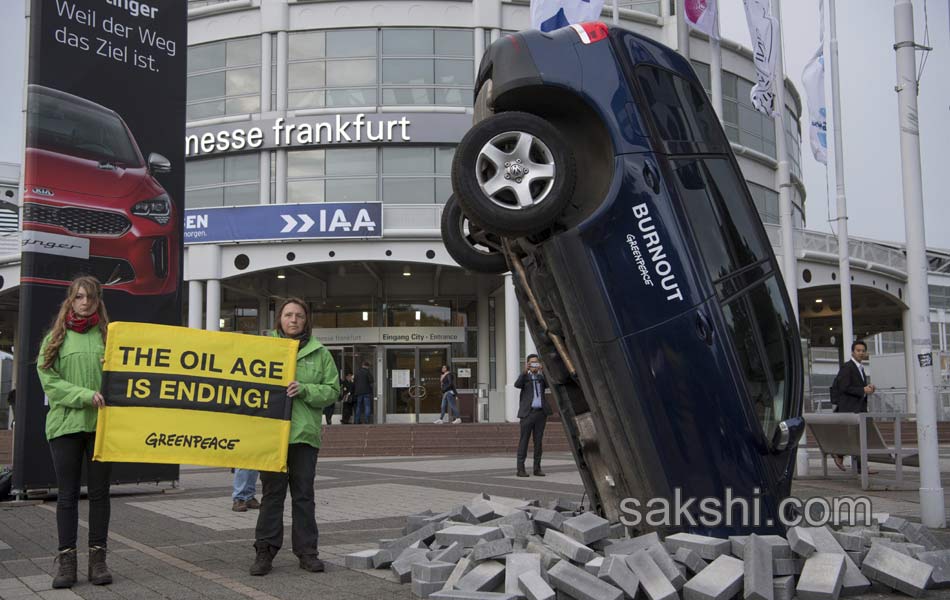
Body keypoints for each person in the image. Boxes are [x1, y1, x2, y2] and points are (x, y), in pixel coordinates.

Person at [251, 298, 339, 576]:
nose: (293, 320)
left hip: (303, 436)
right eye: (288, 315)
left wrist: (305, 389)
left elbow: (332, 391)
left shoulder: (320, 353)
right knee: (271, 496)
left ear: (306, 320)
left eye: (299, 316)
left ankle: (307, 552)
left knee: (304, 496)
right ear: (280, 319)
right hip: (272, 436)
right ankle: (264, 552)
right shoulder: (264, 349)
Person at [36, 276, 112, 588]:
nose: (84, 303)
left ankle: (98, 562)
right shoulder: (56, 337)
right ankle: (66, 564)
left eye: (90, 298)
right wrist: (84, 395)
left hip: (101, 427)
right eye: (79, 297)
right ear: (71, 299)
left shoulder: (109, 336)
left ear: (98, 302)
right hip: (65, 425)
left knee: (99, 495)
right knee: (67, 496)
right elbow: (47, 378)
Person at [832, 340, 876, 474]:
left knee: (858, 438)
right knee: (856, 438)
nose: (861, 353)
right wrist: (863, 389)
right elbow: (844, 387)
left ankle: (858, 465)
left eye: (863, 351)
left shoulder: (859, 368)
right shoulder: (848, 367)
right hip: (850, 409)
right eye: (858, 350)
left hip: (858, 408)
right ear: (853, 352)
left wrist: (868, 389)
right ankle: (843, 458)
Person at [514, 354, 551, 477]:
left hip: (540, 413)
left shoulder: (541, 378)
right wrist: (525, 371)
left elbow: (550, 384)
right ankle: (520, 469)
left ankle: (537, 468)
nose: (534, 365)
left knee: (538, 442)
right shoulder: (525, 377)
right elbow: (517, 384)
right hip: (527, 414)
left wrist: (543, 370)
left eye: (536, 363)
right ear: (528, 365)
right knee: (524, 441)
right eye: (532, 363)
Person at [353, 360, 374, 424]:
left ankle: (357, 420)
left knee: (358, 406)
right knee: (367, 406)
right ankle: (367, 420)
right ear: (367, 366)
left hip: (358, 392)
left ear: (362, 365)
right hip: (366, 391)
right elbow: (371, 381)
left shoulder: (357, 372)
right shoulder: (367, 372)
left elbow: (354, 381)